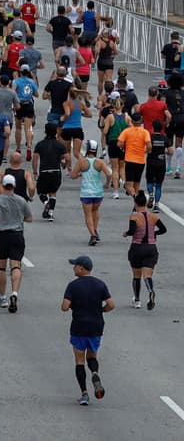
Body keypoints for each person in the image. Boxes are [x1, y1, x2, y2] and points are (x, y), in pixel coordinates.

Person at [62, 254, 114, 406]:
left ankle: (84, 394)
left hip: (79, 326)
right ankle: (95, 372)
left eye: (75, 265)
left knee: (79, 361)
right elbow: (111, 304)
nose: (73, 268)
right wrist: (101, 310)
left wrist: (74, 305)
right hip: (96, 326)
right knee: (92, 356)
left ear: (81, 268)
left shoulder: (73, 285)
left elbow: (64, 307)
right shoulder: (100, 284)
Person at [0, 174, 33, 312]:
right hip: (17, 235)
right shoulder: (21, 200)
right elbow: (29, 218)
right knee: (16, 266)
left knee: (1, 268)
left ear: (2, 185)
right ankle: (14, 292)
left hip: (2, 235)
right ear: (14, 186)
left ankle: (3, 297)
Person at [124, 190, 166, 310]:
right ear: (146, 203)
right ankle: (151, 291)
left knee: (136, 276)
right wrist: (154, 234)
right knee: (147, 275)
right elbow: (163, 229)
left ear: (136, 204)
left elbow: (132, 231)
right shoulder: (153, 216)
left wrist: (126, 234)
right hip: (151, 248)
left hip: (137, 247)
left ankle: (137, 300)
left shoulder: (134, 216)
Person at [71, 138, 112, 246]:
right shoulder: (100, 162)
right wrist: (107, 183)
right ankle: (95, 230)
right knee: (95, 211)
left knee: (88, 215)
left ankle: (92, 235)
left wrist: (81, 174)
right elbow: (109, 174)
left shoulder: (82, 162)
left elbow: (73, 175)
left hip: (86, 193)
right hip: (98, 192)